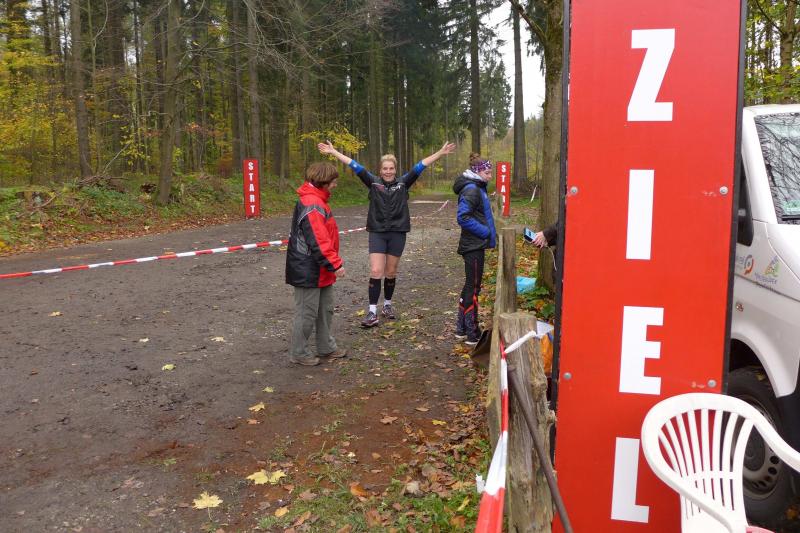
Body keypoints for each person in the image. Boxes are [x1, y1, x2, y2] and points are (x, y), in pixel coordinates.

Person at [318, 140, 456, 327]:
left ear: (395, 170)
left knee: (390, 272)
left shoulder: (404, 183)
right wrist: (334, 152)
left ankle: (387, 305)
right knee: (376, 270)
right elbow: (354, 165)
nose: (388, 171)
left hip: (398, 232)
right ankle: (372, 312)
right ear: (380, 170)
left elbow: (420, 166)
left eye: (391, 168)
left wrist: (440, 153)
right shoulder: (373, 182)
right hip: (377, 232)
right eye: (385, 168)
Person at [285, 162, 347, 366]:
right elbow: (319, 240)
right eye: (334, 181)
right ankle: (299, 352)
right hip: (308, 269)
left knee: (325, 309)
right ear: (324, 181)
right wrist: (335, 264)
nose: (335, 185)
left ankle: (326, 347)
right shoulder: (312, 204)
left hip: (320, 268)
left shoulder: (318, 201)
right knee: (306, 313)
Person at [453, 153, 497, 345]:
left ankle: (462, 328)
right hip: (474, 245)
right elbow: (463, 217)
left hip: (475, 244)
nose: (490, 176)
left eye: (491, 172)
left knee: (470, 285)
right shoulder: (472, 190)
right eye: (487, 173)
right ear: (477, 172)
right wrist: (485, 232)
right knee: (474, 287)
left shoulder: (478, 187)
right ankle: (472, 332)